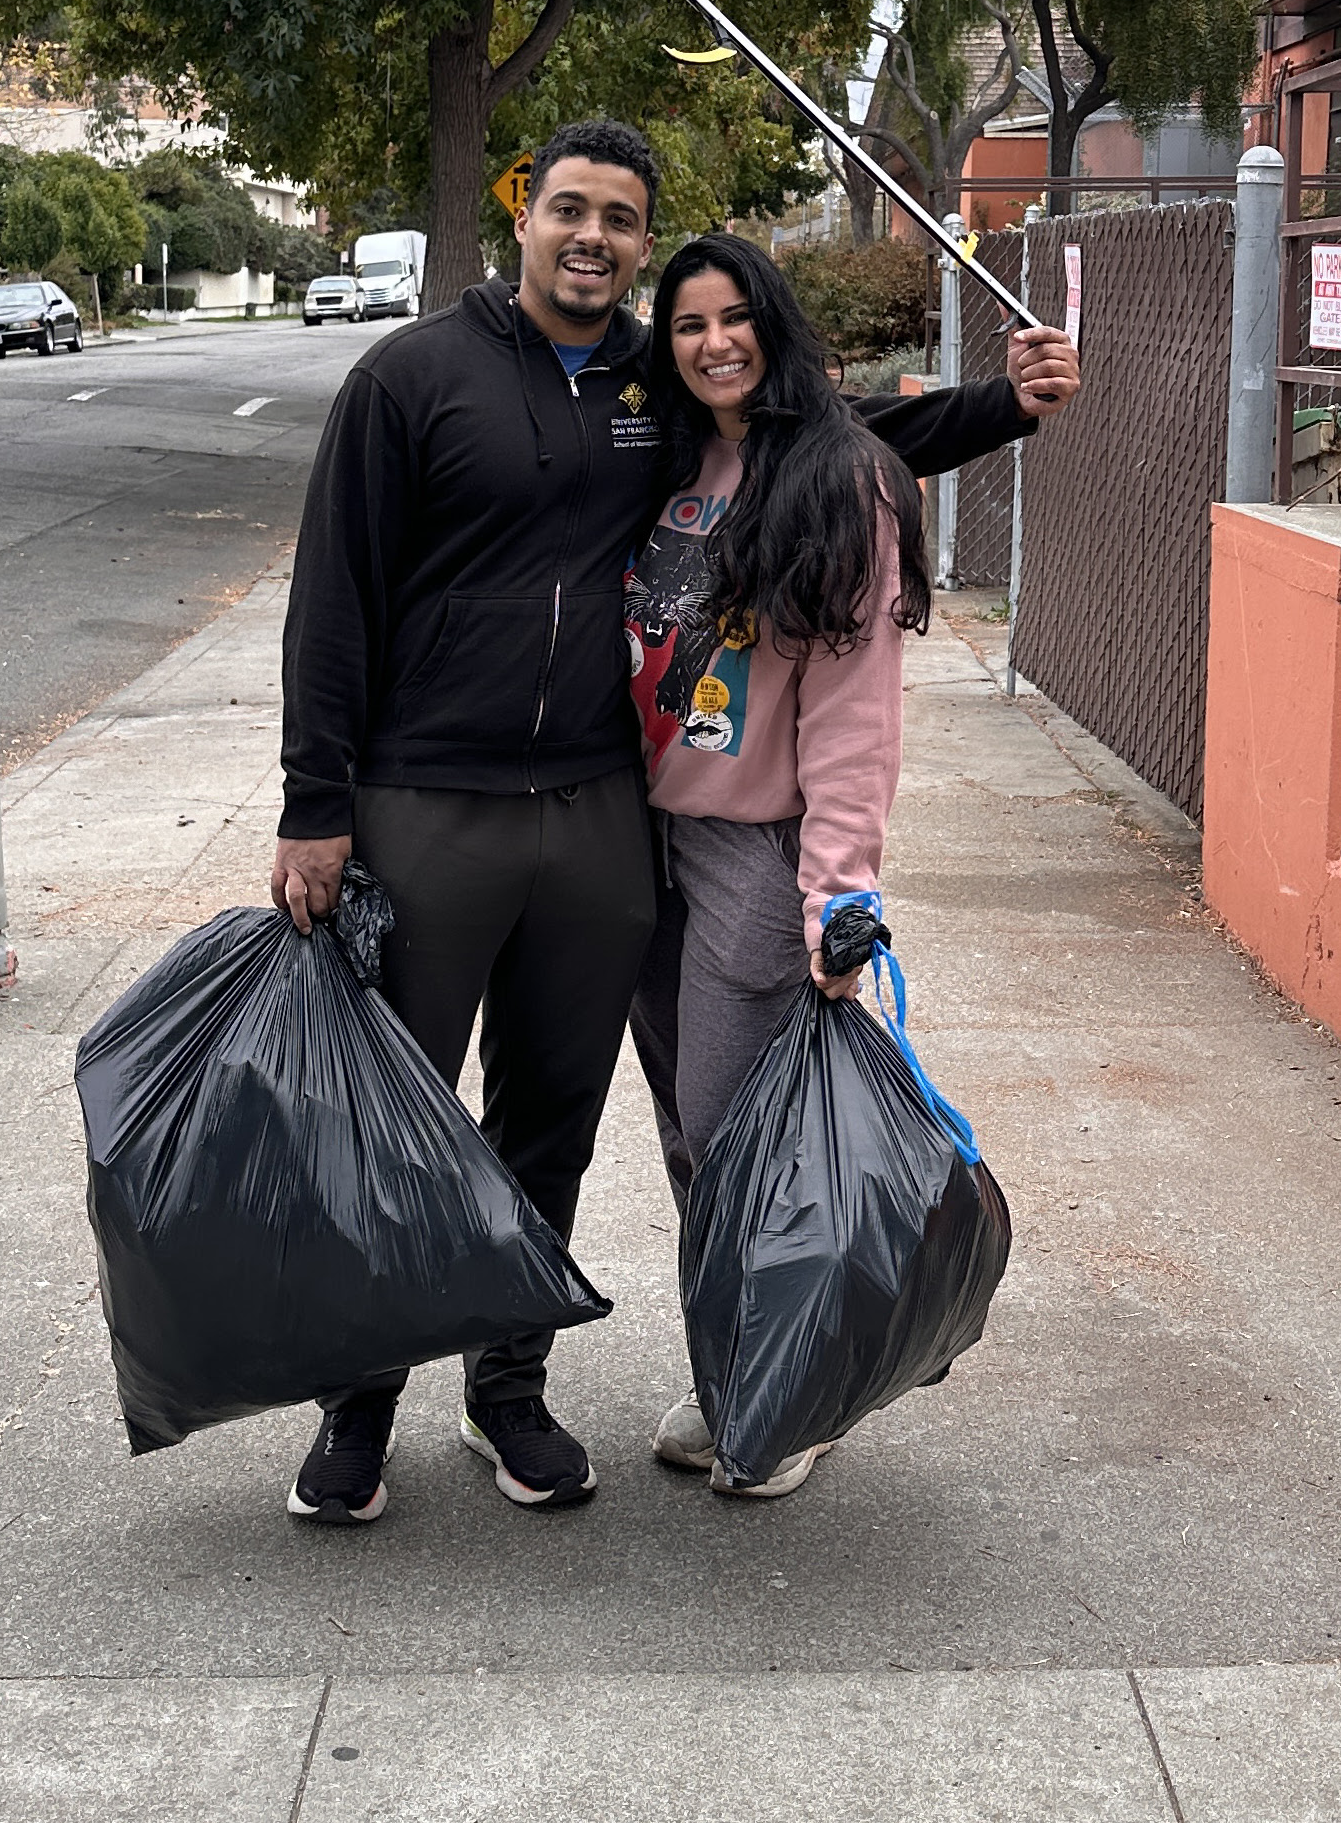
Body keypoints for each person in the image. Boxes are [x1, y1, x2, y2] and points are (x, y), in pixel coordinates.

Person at [271, 119, 1081, 1526]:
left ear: (640, 241)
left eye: (620, 220)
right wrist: (314, 804)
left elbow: (823, 436)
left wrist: (999, 410)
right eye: (568, 210)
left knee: (551, 1124)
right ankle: (358, 1410)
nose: (592, 238)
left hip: (596, 817)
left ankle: (506, 1392)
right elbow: (331, 598)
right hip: (425, 807)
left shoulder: (646, 397)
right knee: (391, 1122)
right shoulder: (409, 377)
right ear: (523, 215)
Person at [628, 233, 938, 1500]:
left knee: (736, 1131)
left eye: (734, 317)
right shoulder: (673, 463)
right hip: (635, 842)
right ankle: (736, 1371)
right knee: (687, 1134)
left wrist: (838, 893)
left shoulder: (841, 479)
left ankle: (788, 1392)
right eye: (689, 323)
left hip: (755, 854)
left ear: (775, 323)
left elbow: (855, 714)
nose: (713, 343)